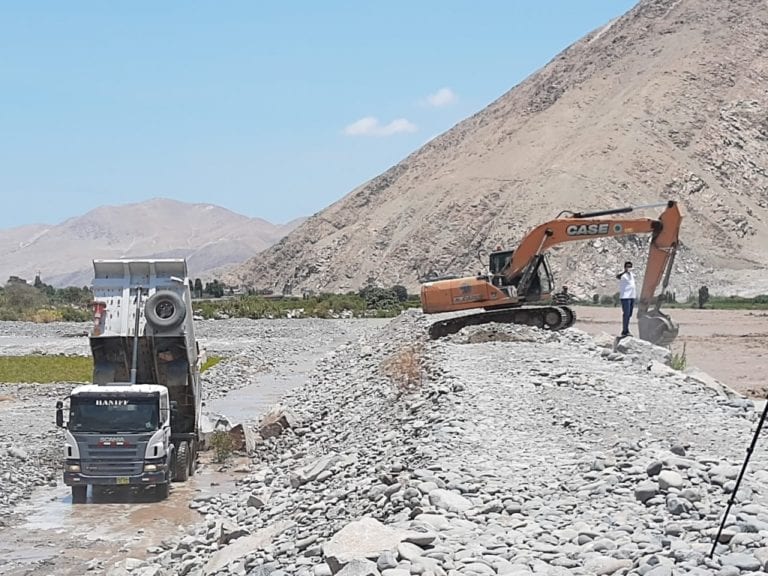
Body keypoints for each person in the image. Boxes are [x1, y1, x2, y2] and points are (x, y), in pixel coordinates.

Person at [616, 261, 636, 337]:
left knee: (630, 314)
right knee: (626, 314)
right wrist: (624, 272)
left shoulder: (631, 275)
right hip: (625, 297)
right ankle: (625, 330)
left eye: (630, 266)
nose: (629, 268)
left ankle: (626, 328)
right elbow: (618, 276)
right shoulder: (623, 276)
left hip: (632, 296)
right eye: (627, 266)